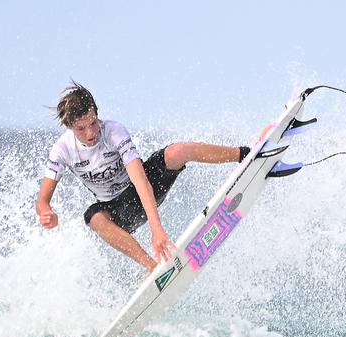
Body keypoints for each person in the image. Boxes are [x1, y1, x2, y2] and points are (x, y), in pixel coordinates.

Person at [36, 81, 250, 274]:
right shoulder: (62, 150)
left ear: (97, 114)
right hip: (120, 212)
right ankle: (152, 266)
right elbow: (42, 201)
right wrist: (46, 212)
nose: (91, 133)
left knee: (178, 151)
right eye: (81, 128)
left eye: (93, 123)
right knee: (93, 218)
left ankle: (244, 154)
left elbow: (140, 179)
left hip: (145, 190)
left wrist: (157, 230)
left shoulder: (113, 131)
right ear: (70, 127)